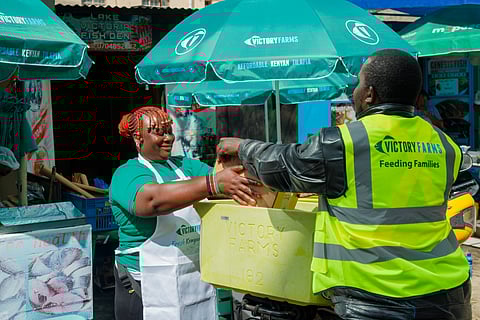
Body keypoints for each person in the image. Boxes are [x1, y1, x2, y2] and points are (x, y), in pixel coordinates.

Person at [218, 49, 471, 320]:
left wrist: (243, 147)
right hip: (448, 293)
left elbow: (285, 165)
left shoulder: (345, 141)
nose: (355, 92)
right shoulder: (445, 144)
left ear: (370, 94)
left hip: (373, 298)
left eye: (358, 85)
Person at [110, 106, 258, 320]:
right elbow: (151, 202)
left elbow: (226, 183)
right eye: (158, 132)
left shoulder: (185, 166)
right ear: (137, 137)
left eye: (169, 131)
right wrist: (212, 183)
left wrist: (239, 158)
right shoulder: (127, 174)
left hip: (192, 279)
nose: (168, 138)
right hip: (144, 285)